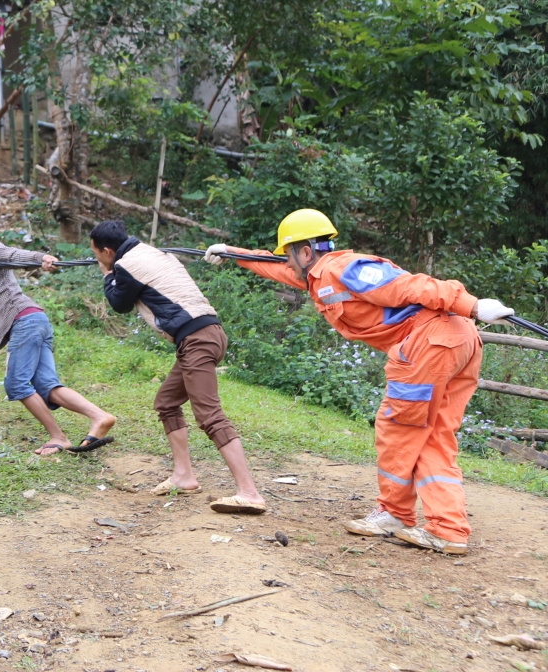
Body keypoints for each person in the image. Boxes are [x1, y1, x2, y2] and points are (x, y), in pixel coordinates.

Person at [205, 209, 518, 556]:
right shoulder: (319, 277)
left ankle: (395, 516)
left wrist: (472, 305)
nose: (289, 264)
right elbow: (278, 269)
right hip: (458, 340)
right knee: (432, 433)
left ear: (305, 252)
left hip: (431, 342)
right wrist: (232, 253)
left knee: (400, 427)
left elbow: (409, 285)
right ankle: (448, 529)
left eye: (290, 254)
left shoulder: (343, 269)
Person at [90, 219, 265, 512]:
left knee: (210, 416)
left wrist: (108, 275)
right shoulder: (154, 253)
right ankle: (183, 476)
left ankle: (249, 492)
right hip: (207, 334)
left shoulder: (127, 265)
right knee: (167, 402)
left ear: (107, 251)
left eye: (96, 254)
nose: (96, 258)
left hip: (197, 338)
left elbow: (119, 303)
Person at [0, 211, 113, 454]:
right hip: (34, 321)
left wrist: (40, 257)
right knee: (47, 387)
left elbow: (13, 255)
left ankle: (58, 436)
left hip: (24, 321)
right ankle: (100, 417)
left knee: (16, 384)